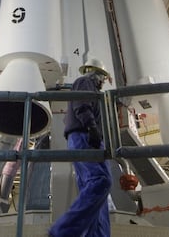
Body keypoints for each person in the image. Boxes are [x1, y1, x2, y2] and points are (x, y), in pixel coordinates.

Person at [49, 58, 113, 237]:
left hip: (85, 136)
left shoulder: (90, 87)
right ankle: (62, 231)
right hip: (84, 135)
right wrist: (92, 127)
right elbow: (82, 105)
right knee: (101, 181)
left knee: (94, 191)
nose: (103, 83)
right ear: (98, 75)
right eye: (103, 78)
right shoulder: (85, 82)